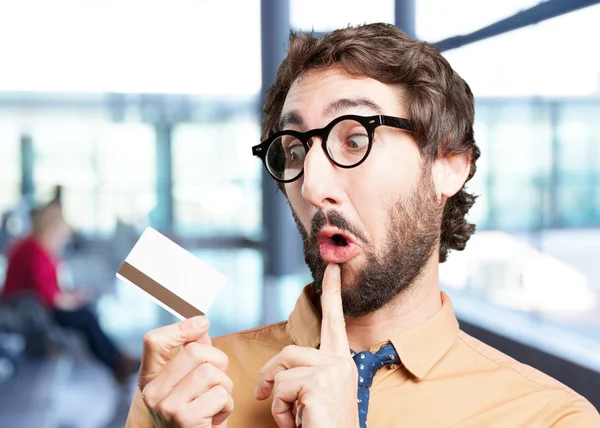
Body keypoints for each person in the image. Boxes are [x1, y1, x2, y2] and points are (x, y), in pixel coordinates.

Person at [126, 23, 600, 427]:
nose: (312, 185)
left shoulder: (548, 417)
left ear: (448, 163)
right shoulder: (187, 394)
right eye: (294, 151)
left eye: (353, 139)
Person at [1, 201, 139, 385]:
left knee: (87, 313)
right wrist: (73, 299)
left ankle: (118, 359)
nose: (64, 239)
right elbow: (48, 297)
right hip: (25, 310)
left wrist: (73, 297)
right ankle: (117, 363)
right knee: (86, 318)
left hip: (35, 306)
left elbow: (50, 290)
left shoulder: (38, 248)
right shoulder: (34, 250)